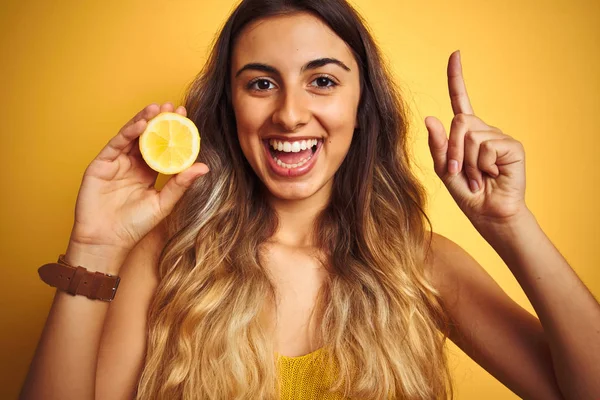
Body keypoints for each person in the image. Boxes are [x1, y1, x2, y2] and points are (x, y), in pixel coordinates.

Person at [20, 0, 600, 399]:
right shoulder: (170, 257)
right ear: (230, 107)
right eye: (261, 82)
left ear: (360, 105)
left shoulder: (419, 265)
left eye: (322, 80)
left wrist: (510, 224)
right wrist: (94, 247)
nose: (291, 113)